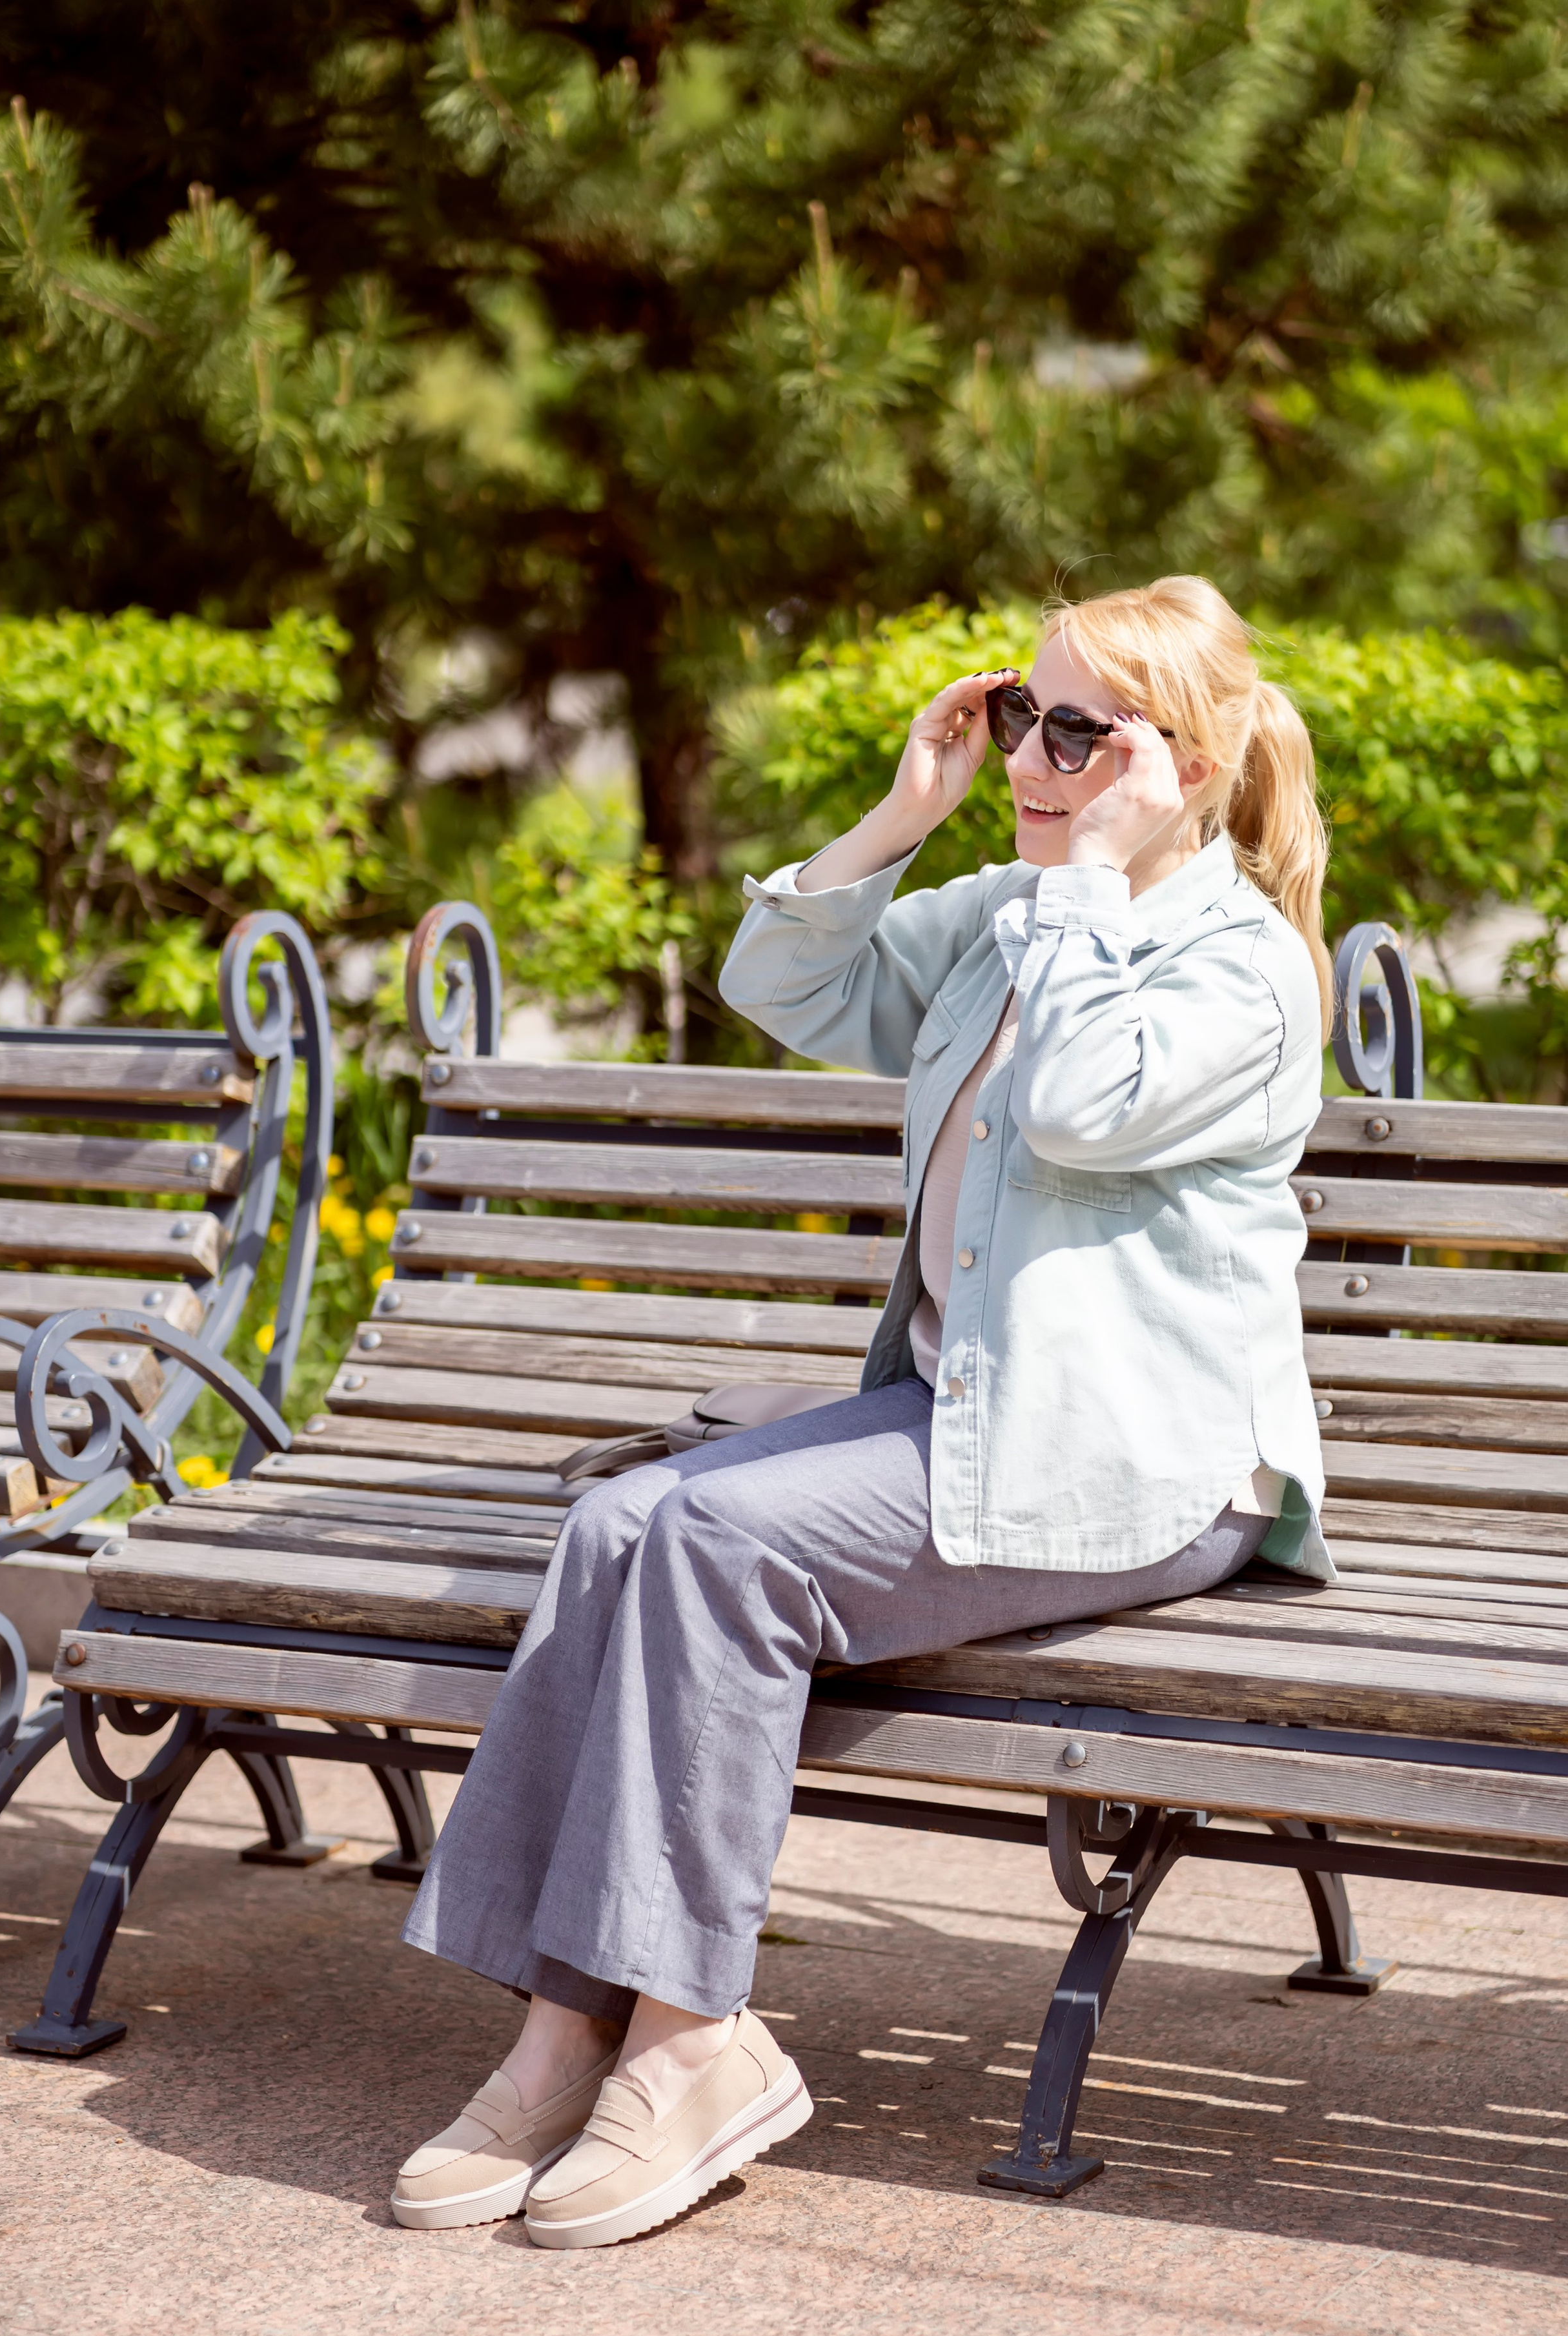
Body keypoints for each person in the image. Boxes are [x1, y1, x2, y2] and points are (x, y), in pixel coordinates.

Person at [392, 572, 1334, 2251]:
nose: (1032, 757)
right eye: (1019, 715)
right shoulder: (1008, 905)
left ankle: (693, 2045)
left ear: (1177, 764)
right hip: (970, 1422)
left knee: (721, 1538)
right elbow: (795, 978)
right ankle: (563, 2031)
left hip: (1145, 1462)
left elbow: (1078, 1105)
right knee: (622, 1521)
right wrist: (911, 807)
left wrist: (1087, 882)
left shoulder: (1239, 971)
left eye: (1075, 730)